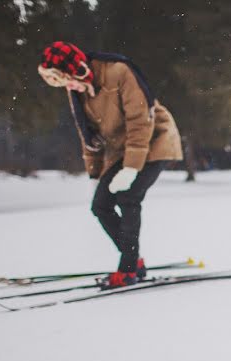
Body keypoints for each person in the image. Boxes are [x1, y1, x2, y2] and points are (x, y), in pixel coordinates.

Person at [37, 42, 183, 288]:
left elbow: (140, 120)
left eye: (67, 80)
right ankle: (133, 260)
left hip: (155, 139)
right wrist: (94, 175)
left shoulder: (118, 71)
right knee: (101, 205)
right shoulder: (78, 89)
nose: (68, 87)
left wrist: (131, 168)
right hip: (124, 149)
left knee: (129, 197)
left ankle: (128, 268)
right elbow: (89, 137)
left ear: (78, 69)